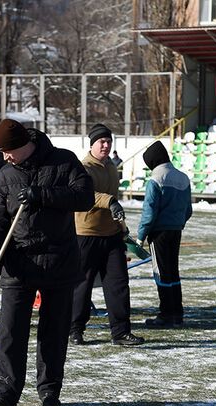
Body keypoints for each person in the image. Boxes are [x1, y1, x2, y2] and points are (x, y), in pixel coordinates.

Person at [0, 119, 94, 406]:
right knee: (10, 332)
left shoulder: (63, 160)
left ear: (24, 145)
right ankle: (5, 395)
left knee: (54, 332)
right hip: (18, 261)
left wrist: (42, 195)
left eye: (8, 151)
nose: (4, 156)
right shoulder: (5, 175)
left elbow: (85, 197)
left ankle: (49, 392)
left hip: (59, 259)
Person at [69, 123, 144, 346]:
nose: (106, 145)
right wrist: (109, 201)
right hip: (86, 233)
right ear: (91, 144)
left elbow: (115, 200)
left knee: (118, 284)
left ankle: (120, 332)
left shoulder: (111, 167)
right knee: (82, 285)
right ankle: (75, 329)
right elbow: (85, 195)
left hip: (111, 235)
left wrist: (122, 230)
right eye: (101, 141)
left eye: (109, 141)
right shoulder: (83, 167)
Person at [138, 140, 193, 328]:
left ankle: (165, 314)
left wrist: (141, 236)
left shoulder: (156, 178)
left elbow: (149, 211)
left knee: (161, 273)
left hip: (159, 233)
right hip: (176, 231)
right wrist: (178, 223)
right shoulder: (183, 177)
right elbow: (188, 210)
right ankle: (177, 313)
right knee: (173, 272)